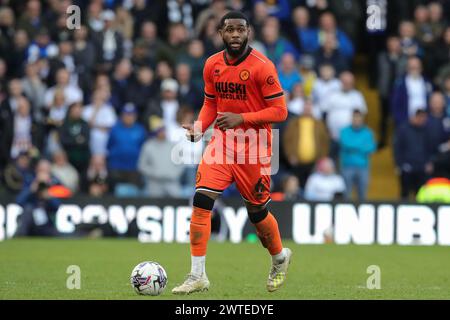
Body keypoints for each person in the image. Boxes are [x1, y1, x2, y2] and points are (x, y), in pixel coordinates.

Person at [172, 12, 292, 295]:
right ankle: (197, 275)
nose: (235, 34)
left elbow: (280, 111)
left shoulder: (263, 66)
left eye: (240, 29)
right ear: (220, 33)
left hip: (255, 148)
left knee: (257, 214)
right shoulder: (212, 64)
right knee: (201, 200)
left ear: (248, 32)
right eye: (230, 30)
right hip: (222, 145)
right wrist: (200, 128)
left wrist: (243, 118)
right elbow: (210, 103)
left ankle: (278, 257)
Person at [394, 109, 433, 200]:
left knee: (420, 195)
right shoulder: (403, 129)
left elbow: (430, 148)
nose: (422, 120)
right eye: (420, 118)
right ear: (415, 117)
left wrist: (430, 162)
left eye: (424, 118)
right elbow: (397, 148)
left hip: (422, 168)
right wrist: (400, 164)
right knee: (405, 194)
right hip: (407, 167)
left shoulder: (427, 130)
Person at [339, 110, 376, 201]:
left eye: (359, 118)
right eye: (355, 117)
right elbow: (345, 144)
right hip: (347, 166)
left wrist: (353, 147)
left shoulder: (368, 132)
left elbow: (371, 148)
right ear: (351, 118)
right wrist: (361, 146)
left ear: (362, 119)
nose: (356, 120)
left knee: (362, 195)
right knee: (346, 194)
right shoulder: (344, 131)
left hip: (363, 167)